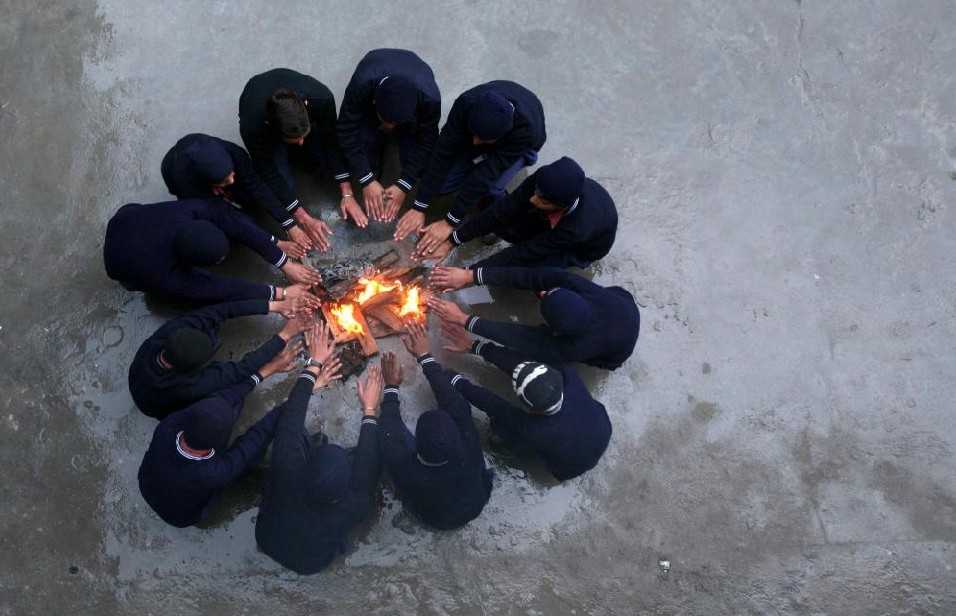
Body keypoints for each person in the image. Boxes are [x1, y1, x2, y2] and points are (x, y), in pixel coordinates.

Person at [256, 324, 382, 575]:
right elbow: (369, 463)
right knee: (366, 458)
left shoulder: (286, 469)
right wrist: (370, 410)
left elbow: (291, 418)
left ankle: (324, 450)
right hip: (310, 564)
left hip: (267, 539)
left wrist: (314, 365)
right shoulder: (354, 504)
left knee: (294, 436)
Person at [137, 340, 301, 528]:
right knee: (251, 455)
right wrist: (307, 384)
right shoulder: (214, 472)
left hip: (147, 483)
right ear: (215, 444)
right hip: (180, 516)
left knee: (228, 401)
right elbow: (259, 435)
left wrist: (267, 369)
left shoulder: (169, 426)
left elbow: (224, 398)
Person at [439, 323, 611, 481]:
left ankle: (504, 449)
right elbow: (520, 365)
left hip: (571, 466)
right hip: (602, 428)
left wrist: (453, 379)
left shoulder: (532, 430)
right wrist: (476, 346)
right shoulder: (569, 377)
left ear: (530, 409)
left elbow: (494, 405)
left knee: (503, 428)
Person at [394, 80, 546, 251]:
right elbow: (443, 153)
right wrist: (420, 205)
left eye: (483, 139)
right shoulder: (466, 103)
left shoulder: (526, 132)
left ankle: (496, 216)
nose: (475, 142)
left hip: (519, 149)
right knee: (440, 186)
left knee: (490, 188)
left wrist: (449, 221)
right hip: (484, 130)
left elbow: (485, 176)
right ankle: (475, 153)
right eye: (474, 134)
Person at [377, 323, 492, 530]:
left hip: (437, 518)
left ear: (418, 446)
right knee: (458, 410)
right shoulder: (469, 441)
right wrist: (425, 357)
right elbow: (454, 402)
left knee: (384, 433)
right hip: (476, 502)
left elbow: (390, 432)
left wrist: (391, 387)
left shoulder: (409, 471)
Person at [239, 68, 365, 251]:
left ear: (306, 104)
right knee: (283, 183)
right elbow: (269, 170)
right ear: (270, 127)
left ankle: (307, 139)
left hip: (306, 109)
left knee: (326, 156)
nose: (300, 143)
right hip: (256, 102)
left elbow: (331, 143)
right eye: (294, 140)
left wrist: (347, 192)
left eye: (303, 136)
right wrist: (303, 218)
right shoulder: (253, 126)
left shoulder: (321, 98)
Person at [103, 199, 323, 304]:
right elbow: (214, 287)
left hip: (132, 216)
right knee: (193, 296)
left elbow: (236, 226)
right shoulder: (161, 273)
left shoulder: (193, 209)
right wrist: (280, 293)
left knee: (237, 220)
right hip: (124, 263)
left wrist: (284, 262)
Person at [128, 298, 315, 419]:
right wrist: (284, 335)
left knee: (211, 323)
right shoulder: (186, 386)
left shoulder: (169, 334)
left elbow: (218, 311)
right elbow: (241, 369)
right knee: (227, 398)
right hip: (157, 405)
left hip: (140, 374)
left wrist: (273, 305)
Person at [417, 156, 618, 268]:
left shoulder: (576, 230)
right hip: (558, 216)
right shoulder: (544, 179)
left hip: (582, 247)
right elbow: (504, 209)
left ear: (561, 205)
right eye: (536, 192)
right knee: (509, 223)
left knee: (535, 265)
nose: (532, 199)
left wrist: (472, 273)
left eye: (542, 199)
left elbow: (525, 252)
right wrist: (453, 239)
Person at [428, 265, 639, 370]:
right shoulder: (575, 284)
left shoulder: (574, 347)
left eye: (546, 296)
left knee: (546, 357)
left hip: (616, 347)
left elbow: (523, 338)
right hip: (620, 301)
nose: (543, 292)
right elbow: (533, 276)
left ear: (557, 332)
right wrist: (472, 275)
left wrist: (464, 320)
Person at [160, 133, 308, 258]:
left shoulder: (234, 152)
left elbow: (256, 185)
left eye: (232, 174)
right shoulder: (185, 181)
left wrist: (289, 223)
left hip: (214, 172)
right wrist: (274, 242)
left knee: (248, 195)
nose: (231, 180)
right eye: (225, 181)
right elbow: (225, 214)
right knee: (224, 229)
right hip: (181, 178)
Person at [337, 49, 441, 223]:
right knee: (365, 143)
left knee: (415, 154)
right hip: (375, 62)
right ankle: (372, 167)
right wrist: (366, 178)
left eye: (396, 123)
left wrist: (405, 183)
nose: (390, 127)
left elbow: (426, 140)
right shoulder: (362, 85)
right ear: (375, 102)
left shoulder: (430, 99)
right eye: (385, 120)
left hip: (415, 69)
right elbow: (346, 130)